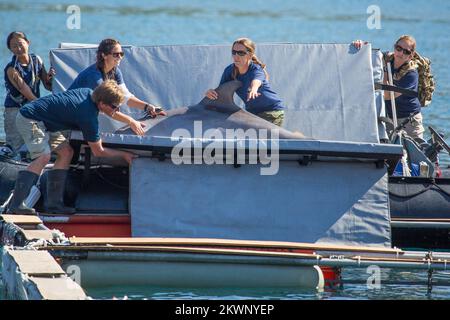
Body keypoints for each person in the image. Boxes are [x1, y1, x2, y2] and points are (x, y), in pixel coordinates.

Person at [7, 80, 140, 215]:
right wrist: (124, 154)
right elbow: (98, 151)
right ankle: (17, 205)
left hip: (46, 123)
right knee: (43, 156)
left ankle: (54, 205)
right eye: (114, 107)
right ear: (102, 104)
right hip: (30, 119)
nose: (116, 110)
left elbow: (109, 112)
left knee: (66, 152)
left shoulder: (89, 93)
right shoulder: (87, 116)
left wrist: (131, 121)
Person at [69, 38, 166, 121]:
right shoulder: (94, 76)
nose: (120, 57)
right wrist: (131, 121)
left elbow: (126, 97)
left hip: (82, 114)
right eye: (116, 54)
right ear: (104, 55)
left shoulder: (116, 72)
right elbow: (106, 108)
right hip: (68, 115)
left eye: (121, 54)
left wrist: (148, 107)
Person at [353, 35, 424, 140]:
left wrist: (385, 70)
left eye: (406, 52)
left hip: (409, 121)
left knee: (413, 152)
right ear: (394, 47)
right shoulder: (386, 58)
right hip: (390, 118)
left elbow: (387, 95)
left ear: (410, 55)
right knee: (393, 152)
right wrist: (360, 45)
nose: (400, 53)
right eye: (398, 48)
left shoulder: (411, 73)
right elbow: (369, 54)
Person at [205, 37, 285, 126]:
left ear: (250, 55)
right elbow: (221, 94)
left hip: (272, 111)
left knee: (266, 139)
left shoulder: (256, 69)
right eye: (234, 52)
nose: (236, 56)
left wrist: (254, 89)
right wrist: (211, 93)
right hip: (252, 114)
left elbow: (257, 81)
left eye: (241, 53)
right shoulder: (229, 70)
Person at [3, 31, 56, 155]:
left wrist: (51, 77)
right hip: (15, 110)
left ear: (28, 43)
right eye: (14, 46)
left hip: (33, 108)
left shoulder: (37, 60)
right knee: (16, 146)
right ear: (10, 49)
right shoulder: (12, 69)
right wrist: (44, 108)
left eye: (21, 44)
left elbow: (48, 86)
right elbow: (26, 92)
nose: (18, 48)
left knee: (36, 142)